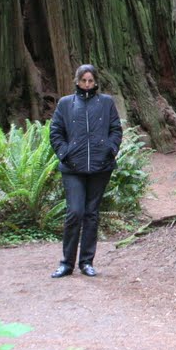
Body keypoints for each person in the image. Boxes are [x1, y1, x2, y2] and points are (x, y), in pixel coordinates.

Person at [48, 64, 122, 278]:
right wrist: (65, 153)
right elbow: (55, 131)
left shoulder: (106, 103)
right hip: (73, 167)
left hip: (100, 166)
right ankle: (66, 263)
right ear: (77, 81)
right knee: (75, 212)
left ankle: (87, 262)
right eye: (84, 81)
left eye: (91, 81)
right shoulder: (65, 104)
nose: (87, 84)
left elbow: (116, 129)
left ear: (96, 81)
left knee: (91, 214)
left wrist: (111, 149)